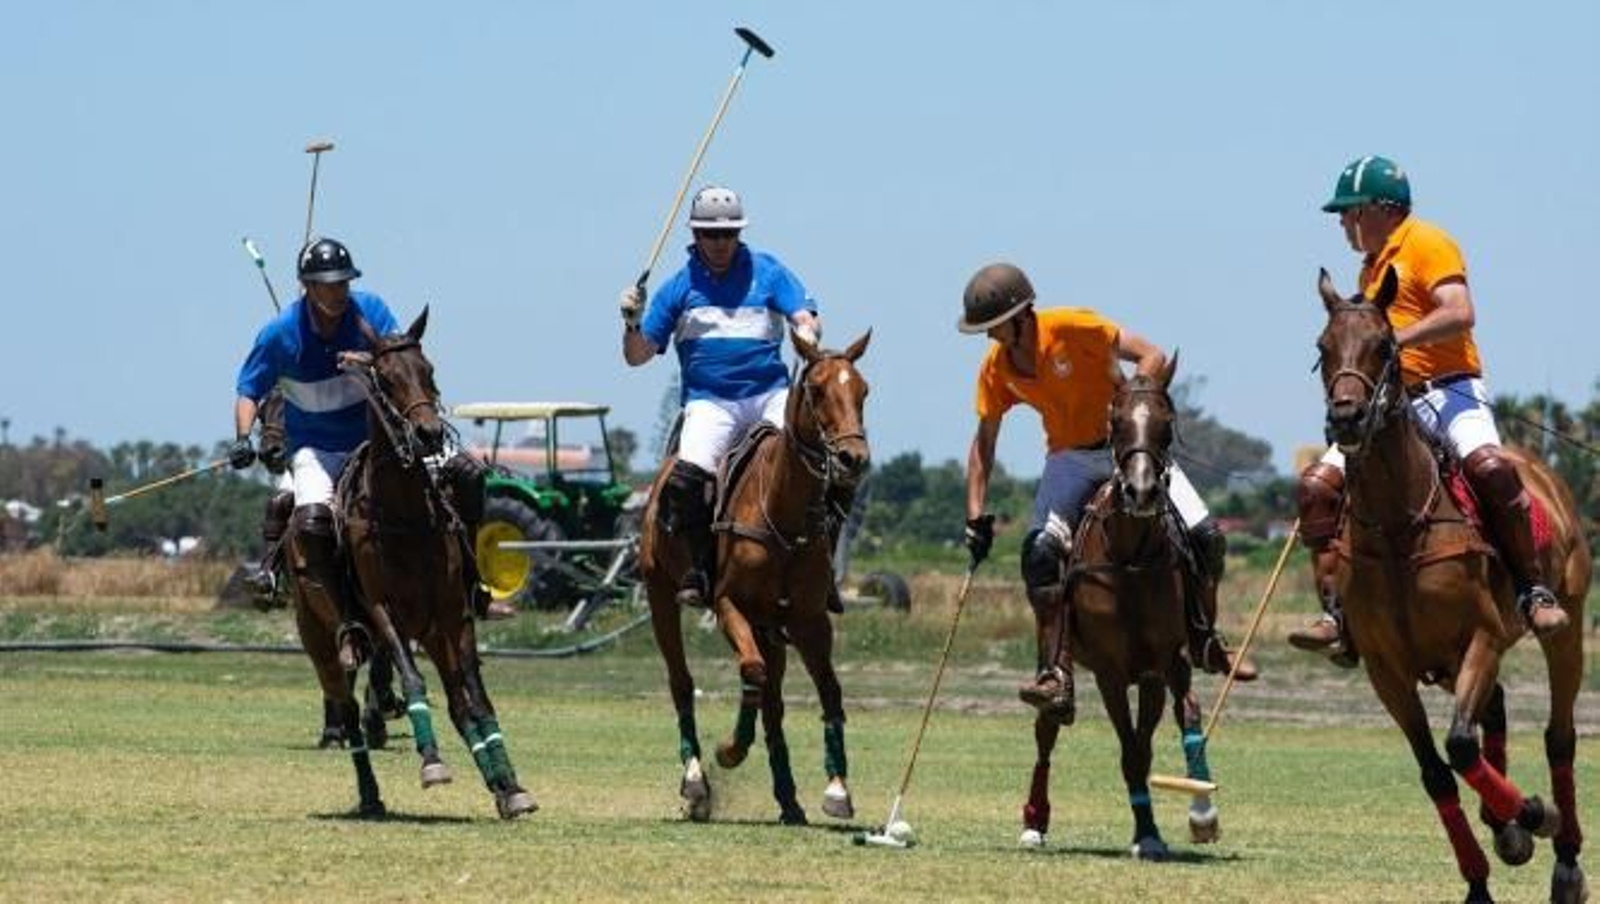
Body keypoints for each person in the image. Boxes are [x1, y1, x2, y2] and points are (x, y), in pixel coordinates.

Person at [1289, 156, 1569, 665]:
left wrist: (1398, 338)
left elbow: (1460, 312)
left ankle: (1533, 591)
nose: (1342, 223)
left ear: (1378, 208)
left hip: (1451, 389)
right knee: (1317, 487)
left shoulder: (1427, 243)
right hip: (1393, 404)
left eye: (1348, 212)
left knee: (1491, 468)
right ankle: (1338, 614)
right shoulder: (1370, 269)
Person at [958, 262, 1257, 720]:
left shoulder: (1075, 327)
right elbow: (984, 444)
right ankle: (1055, 674)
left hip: (1128, 451)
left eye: (993, 325)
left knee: (1206, 535)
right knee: (1040, 553)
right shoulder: (996, 368)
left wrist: (1135, 408)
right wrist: (975, 514)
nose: (988, 336)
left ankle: (1206, 639)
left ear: (1022, 314)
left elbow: (1152, 355)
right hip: (1070, 460)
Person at [620, 186, 835, 610]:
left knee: (821, 464)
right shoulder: (677, 288)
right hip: (710, 401)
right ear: (695, 235)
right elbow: (637, 357)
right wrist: (631, 322)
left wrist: (807, 331)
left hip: (769, 395)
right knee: (686, 479)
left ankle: (820, 569)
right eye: (711, 235)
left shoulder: (768, 271)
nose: (721, 244)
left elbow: (805, 314)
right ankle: (701, 570)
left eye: (729, 234)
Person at [232, 237, 401, 668]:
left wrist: (368, 361)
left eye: (343, 282)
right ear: (308, 286)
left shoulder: (372, 312)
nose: (338, 291)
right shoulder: (279, 334)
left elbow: (399, 360)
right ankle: (346, 623)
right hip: (316, 449)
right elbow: (248, 390)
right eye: (327, 284)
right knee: (311, 519)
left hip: (372, 442)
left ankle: (468, 589)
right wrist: (242, 437)